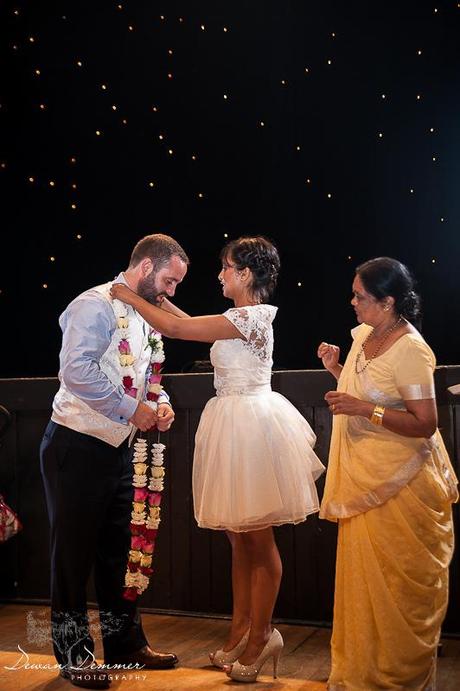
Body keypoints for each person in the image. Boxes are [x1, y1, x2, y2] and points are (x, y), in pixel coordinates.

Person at [111, 236, 325, 683]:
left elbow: (179, 331)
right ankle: (239, 633)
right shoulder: (233, 318)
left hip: (251, 426)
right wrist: (160, 298)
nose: (221, 274)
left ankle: (263, 635)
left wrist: (129, 295)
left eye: (226, 267)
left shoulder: (254, 315)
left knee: (258, 542)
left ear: (246, 274)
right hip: (232, 422)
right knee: (237, 539)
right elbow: (191, 322)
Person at [40, 234, 189, 689]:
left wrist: (159, 401)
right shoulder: (94, 304)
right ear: (146, 267)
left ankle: (125, 646)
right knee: (71, 559)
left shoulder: (147, 312)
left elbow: (145, 375)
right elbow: (77, 370)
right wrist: (132, 409)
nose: (172, 292)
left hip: (119, 449)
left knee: (120, 555)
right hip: (75, 444)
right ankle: (73, 657)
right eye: (169, 280)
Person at [317, 256, 458, 690]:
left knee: (398, 590)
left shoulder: (411, 349)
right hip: (365, 483)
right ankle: (362, 675)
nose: (352, 302)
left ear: (388, 301)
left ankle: (398, 680)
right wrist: (338, 372)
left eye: (360, 296)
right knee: (363, 589)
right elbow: (367, 389)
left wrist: (363, 410)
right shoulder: (366, 336)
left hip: (403, 485)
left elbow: (424, 424)